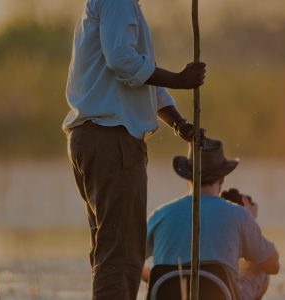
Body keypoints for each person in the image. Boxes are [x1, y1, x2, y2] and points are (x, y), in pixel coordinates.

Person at [63, 0, 207, 298]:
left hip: (95, 138)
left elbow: (143, 79)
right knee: (122, 255)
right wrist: (179, 80)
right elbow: (122, 62)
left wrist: (179, 123)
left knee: (110, 251)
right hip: (111, 139)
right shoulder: (119, 1)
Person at [144, 138, 280, 300]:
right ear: (222, 179)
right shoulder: (238, 215)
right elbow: (272, 265)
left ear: (188, 178)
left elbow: (131, 261)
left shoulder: (160, 214)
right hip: (220, 295)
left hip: (166, 295)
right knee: (258, 268)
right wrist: (250, 220)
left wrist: (154, 278)